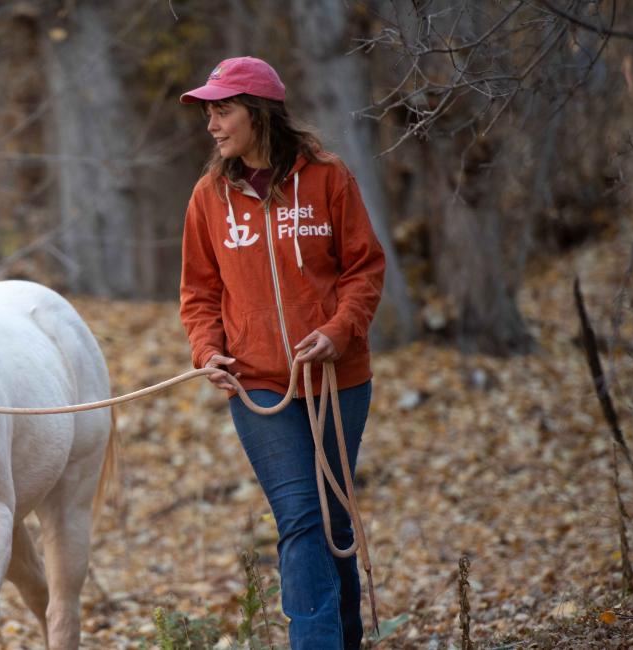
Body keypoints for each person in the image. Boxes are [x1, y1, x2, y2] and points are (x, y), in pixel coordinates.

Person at [177, 56, 385, 650]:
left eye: (223, 110)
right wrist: (206, 351)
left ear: (259, 112)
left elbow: (364, 267)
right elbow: (199, 292)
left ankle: (342, 639)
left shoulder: (327, 176)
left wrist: (340, 330)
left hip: (338, 376)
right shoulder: (209, 197)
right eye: (209, 113)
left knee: (333, 521)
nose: (212, 125)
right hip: (257, 383)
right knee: (300, 517)